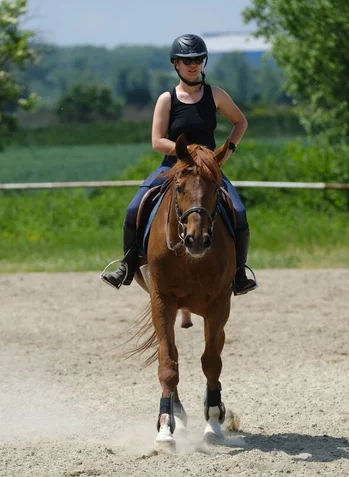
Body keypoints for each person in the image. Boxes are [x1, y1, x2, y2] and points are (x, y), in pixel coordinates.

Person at [101, 33, 257, 295]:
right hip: (172, 166)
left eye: (197, 60)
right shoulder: (167, 99)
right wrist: (188, 153)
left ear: (203, 62)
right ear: (176, 64)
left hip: (207, 170)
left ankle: (239, 272)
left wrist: (228, 149)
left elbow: (240, 122)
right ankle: (127, 265)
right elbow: (157, 140)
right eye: (186, 61)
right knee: (133, 208)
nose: (192, 64)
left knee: (239, 211)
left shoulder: (216, 94)